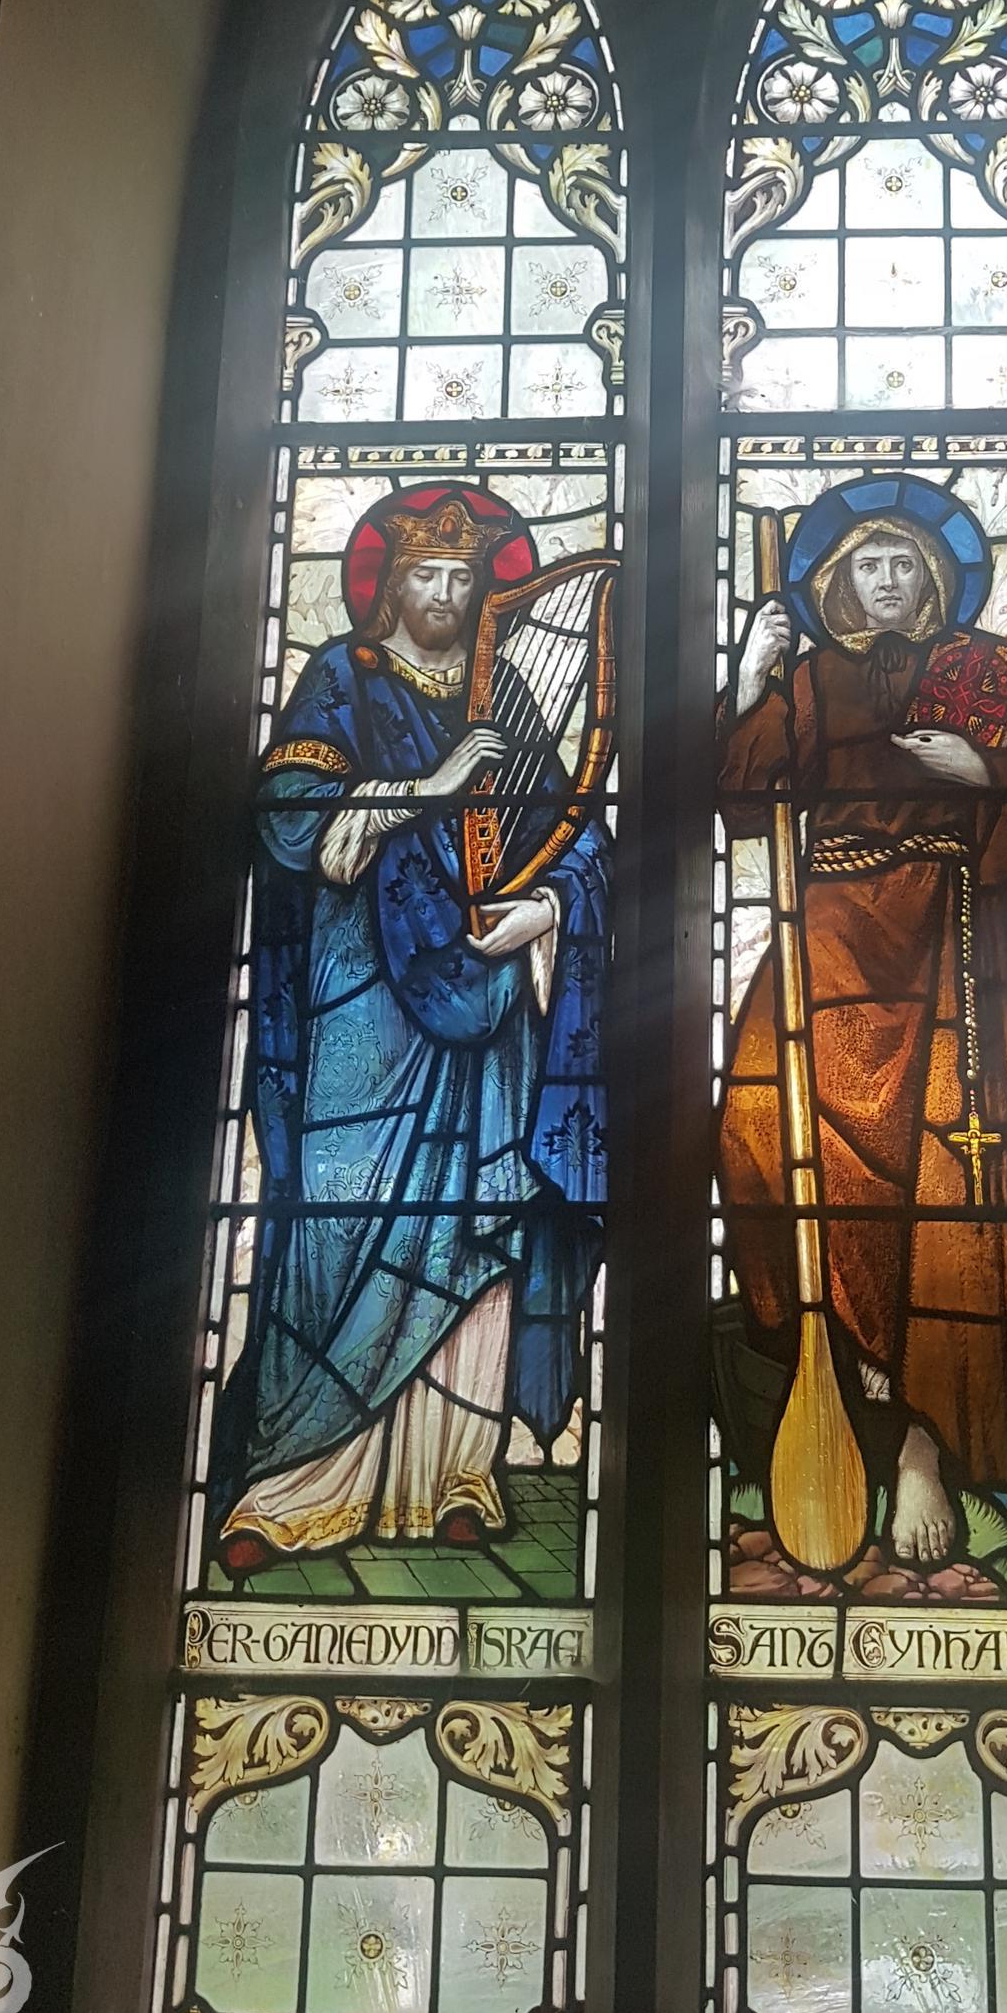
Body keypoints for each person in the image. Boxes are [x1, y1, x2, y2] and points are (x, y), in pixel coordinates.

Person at [211, 484, 607, 1569]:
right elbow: (293, 828)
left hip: (486, 1010)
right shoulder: (342, 676)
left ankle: (457, 1472)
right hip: (363, 998)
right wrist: (428, 785)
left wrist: (548, 906)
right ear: (386, 584)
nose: (443, 594)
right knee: (340, 1219)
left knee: (477, 1215)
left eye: (463, 579)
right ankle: (295, 1480)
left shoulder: (504, 695)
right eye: (425, 576)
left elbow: (573, 830)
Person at [718, 475, 1007, 1571]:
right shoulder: (811, 679)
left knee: (949, 1185)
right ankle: (848, 1394)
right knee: (757, 1131)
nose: (886, 582)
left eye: (904, 567)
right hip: (828, 940)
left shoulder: (992, 680)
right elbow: (737, 800)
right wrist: (749, 677)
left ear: (934, 584)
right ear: (836, 586)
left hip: (956, 936)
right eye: (867, 567)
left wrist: (978, 769)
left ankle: (923, 1443)